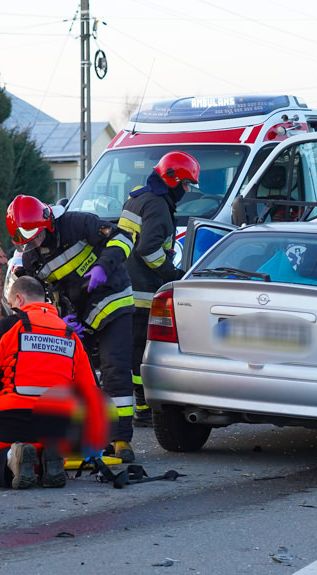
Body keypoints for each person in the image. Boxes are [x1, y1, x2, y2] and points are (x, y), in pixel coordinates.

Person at [6, 195, 137, 462]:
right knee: (77, 376)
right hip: (81, 317)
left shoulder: (76, 223)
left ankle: (121, 440)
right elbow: (42, 294)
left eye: (36, 237)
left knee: (115, 369)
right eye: (27, 242)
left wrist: (102, 266)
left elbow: (123, 239)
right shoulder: (31, 258)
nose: (34, 244)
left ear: (48, 222)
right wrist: (60, 318)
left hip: (112, 301)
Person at [0, 276, 109, 489]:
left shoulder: (9, 327)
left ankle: (12, 457)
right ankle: (45, 459)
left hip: (9, 424)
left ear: (19, 299)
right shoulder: (70, 336)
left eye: (11, 306)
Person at [118, 151, 200, 428]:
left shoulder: (139, 197)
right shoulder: (158, 205)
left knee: (130, 349)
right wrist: (173, 275)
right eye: (186, 184)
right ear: (172, 178)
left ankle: (138, 406)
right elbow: (149, 249)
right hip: (142, 290)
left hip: (125, 284)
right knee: (141, 352)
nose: (187, 191)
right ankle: (142, 410)